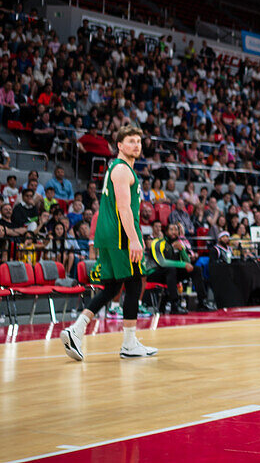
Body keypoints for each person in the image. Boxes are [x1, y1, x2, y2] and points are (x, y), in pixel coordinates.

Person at [60, 125, 157, 361]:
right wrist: (135, 240)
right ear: (120, 146)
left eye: (139, 141)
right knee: (135, 285)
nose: (137, 145)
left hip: (108, 236)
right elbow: (123, 208)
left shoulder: (116, 167)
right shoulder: (123, 170)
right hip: (120, 236)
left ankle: (77, 329)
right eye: (131, 141)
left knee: (112, 287)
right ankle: (129, 344)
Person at [148, 222, 203, 314]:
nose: (174, 232)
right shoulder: (157, 243)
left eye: (176, 230)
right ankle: (174, 304)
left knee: (196, 269)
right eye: (171, 229)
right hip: (154, 273)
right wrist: (183, 265)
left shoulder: (178, 244)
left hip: (171, 274)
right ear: (165, 232)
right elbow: (162, 263)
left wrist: (182, 250)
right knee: (171, 269)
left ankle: (202, 303)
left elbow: (188, 262)